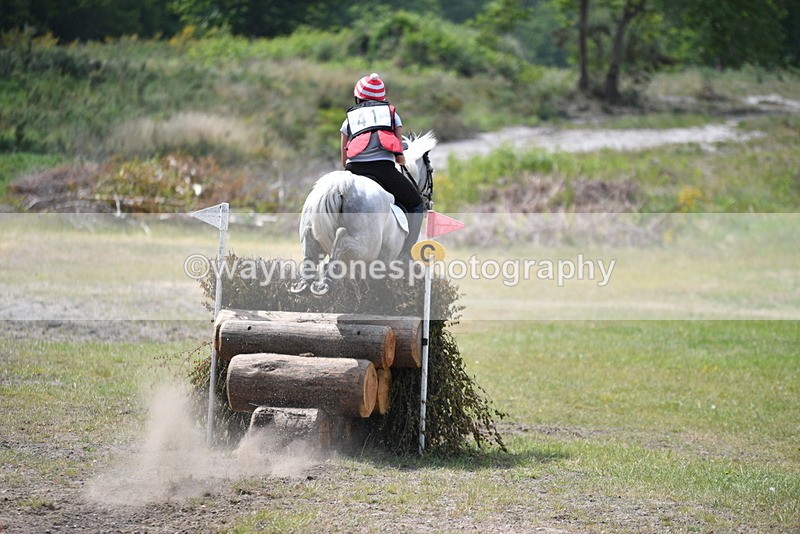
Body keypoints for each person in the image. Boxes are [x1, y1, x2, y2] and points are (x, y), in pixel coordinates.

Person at [340, 72, 425, 259]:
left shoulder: (349, 120)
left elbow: (344, 159)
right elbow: (400, 159)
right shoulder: (393, 116)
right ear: (382, 98)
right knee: (417, 204)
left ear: (357, 97)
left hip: (354, 171)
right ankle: (406, 255)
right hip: (383, 171)